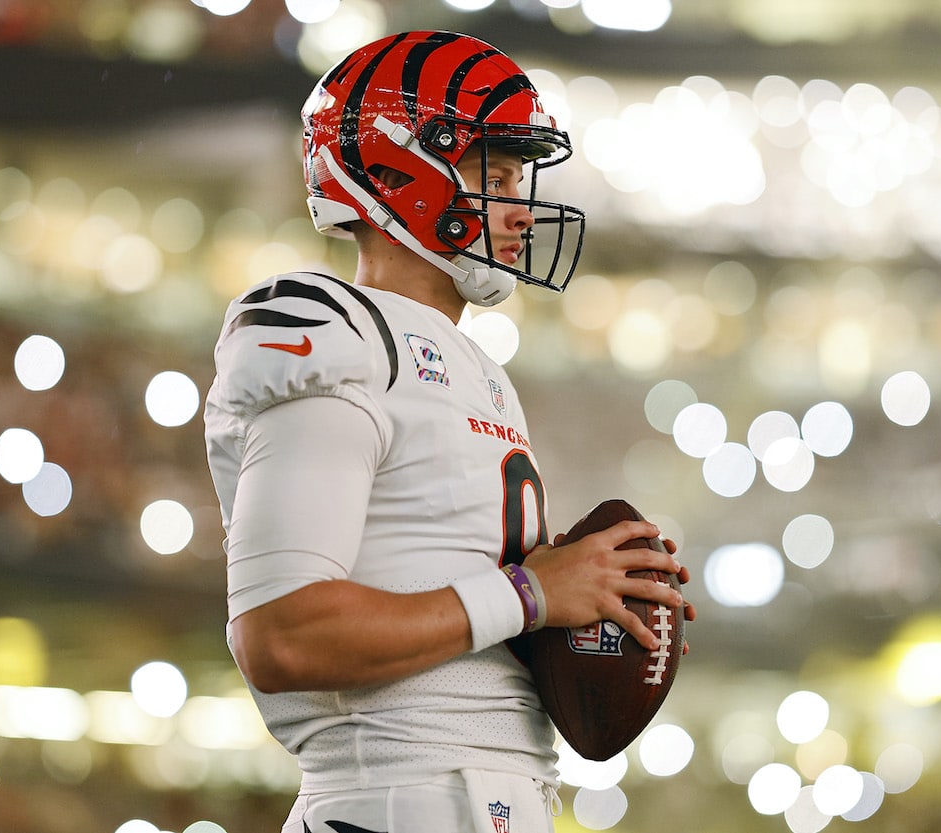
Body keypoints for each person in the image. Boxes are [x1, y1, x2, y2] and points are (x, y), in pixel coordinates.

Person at [204, 30, 693, 833]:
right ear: (399, 169)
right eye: (492, 174)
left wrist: (599, 590)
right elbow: (283, 633)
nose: (519, 206)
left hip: (481, 802)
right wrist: (534, 592)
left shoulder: (473, 366)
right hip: (389, 803)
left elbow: (455, 593)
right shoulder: (335, 331)